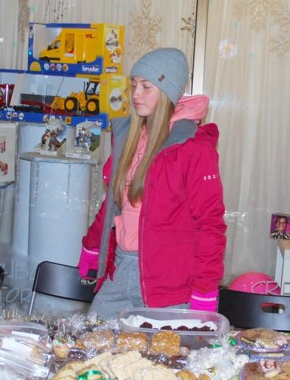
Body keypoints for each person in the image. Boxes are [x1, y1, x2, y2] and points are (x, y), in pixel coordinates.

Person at [77, 48, 226, 319]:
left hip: (168, 286)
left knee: (162, 360)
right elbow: (112, 203)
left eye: (146, 86)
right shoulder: (129, 138)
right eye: (134, 85)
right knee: (93, 344)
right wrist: (92, 245)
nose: (135, 94)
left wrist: (204, 292)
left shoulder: (194, 148)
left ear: (167, 92)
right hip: (121, 270)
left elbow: (211, 226)